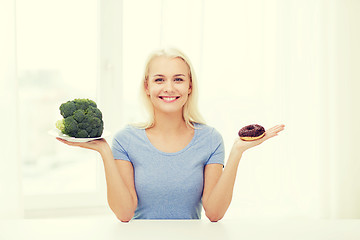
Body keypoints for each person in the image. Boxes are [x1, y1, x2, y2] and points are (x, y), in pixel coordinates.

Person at [57, 48, 285, 222]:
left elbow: (214, 213)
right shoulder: (126, 140)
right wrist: (105, 152)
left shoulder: (210, 139)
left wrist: (237, 152)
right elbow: (125, 214)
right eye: (159, 79)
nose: (169, 88)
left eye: (178, 79)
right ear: (147, 86)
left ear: (189, 86)